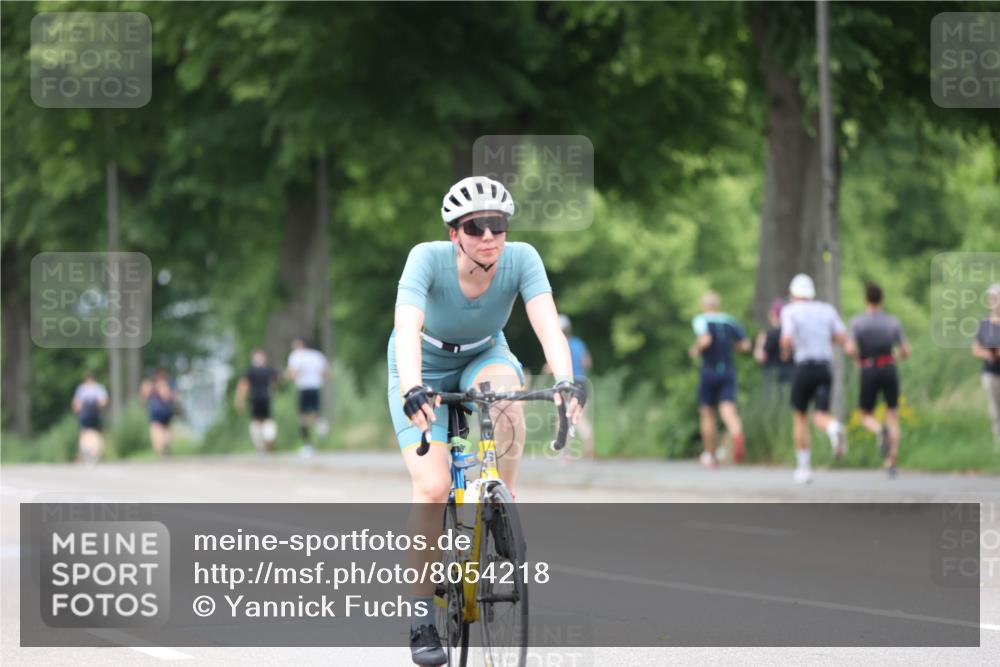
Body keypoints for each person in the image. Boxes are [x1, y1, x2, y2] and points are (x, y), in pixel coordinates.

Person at [390, 175, 585, 665]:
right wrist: (413, 387)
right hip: (423, 365)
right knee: (433, 489)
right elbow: (407, 326)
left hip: (484, 354)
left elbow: (546, 322)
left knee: (506, 399)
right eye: (476, 227)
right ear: (455, 232)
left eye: (497, 225)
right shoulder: (426, 258)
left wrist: (565, 381)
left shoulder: (522, 259)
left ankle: (500, 501)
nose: (489, 236)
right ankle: (420, 618)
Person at [780, 273, 848, 484]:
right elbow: (841, 337)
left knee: (800, 417)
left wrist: (785, 352)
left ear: (793, 294)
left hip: (804, 368)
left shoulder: (790, 311)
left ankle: (804, 468)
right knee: (820, 415)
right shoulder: (827, 310)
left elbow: (787, 339)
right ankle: (834, 428)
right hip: (824, 368)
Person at [845, 283, 911, 478]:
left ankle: (878, 429)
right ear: (882, 300)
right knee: (892, 414)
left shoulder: (858, 322)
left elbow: (849, 348)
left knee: (866, 414)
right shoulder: (892, 322)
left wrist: (859, 359)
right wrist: (894, 357)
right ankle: (891, 461)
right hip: (889, 368)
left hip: (869, 368)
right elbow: (906, 350)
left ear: (866, 300)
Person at [688, 291, 751, 467]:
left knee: (707, 413)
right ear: (718, 304)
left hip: (709, 370)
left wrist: (695, 350)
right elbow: (745, 345)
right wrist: (730, 346)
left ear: (704, 306)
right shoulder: (730, 321)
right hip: (728, 370)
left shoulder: (701, 320)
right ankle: (736, 432)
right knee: (727, 410)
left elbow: (705, 340)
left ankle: (710, 454)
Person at [554, 314, 595, 459]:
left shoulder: (558, 345)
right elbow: (587, 363)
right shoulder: (578, 343)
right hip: (583, 383)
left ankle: (566, 453)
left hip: (567, 384)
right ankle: (589, 446)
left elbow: (550, 367)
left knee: (563, 418)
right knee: (581, 417)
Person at [286, 338, 329, 458]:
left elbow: (292, 374)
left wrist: (287, 376)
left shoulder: (296, 356)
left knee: (302, 418)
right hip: (315, 387)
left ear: (301, 345)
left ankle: (307, 445)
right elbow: (326, 373)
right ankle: (321, 423)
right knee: (314, 413)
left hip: (304, 387)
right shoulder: (317, 355)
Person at [235, 349, 280, 454]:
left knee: (258, 421)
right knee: (263, 420)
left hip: (258, 398)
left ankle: (262, 444)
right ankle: (265, 440)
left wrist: (239, 400)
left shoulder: (251, 370)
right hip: (263, 398)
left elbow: (243, 385)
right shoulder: (266, 370)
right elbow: (277, 380)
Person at [972, 283, 1000, 451]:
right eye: (992, 298)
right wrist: (989, 355)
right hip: (991, 373)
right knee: (995, 412)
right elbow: (975, 349)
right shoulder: (985, 324)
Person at [754, 298, 795, 401]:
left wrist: (760, 342)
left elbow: (761, 357)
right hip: (792, 375)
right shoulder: (793, 335)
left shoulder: (770, 335)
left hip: (773, 376)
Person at [71, 373, 109, 464]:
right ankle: (94, 453)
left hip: (87, 412)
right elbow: (104, 401)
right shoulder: (98, 388)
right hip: (93, 412)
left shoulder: (82, 388)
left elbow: (76, 403)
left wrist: (77, 410)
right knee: (94, 433)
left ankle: (89, 452)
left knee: (86, 432)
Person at [140, 368, 178, 457]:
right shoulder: (169, 384)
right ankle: (164, 446)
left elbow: (143, 396)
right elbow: (176, 396)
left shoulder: (150, 384)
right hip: (167, 409)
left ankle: (160, 449)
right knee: (166, 430)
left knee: (156, 430)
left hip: (155, 410)